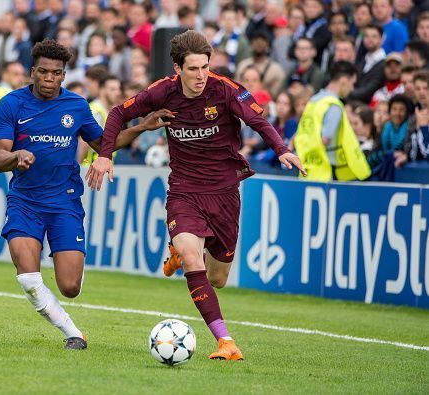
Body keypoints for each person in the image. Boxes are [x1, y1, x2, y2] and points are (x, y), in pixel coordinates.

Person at [85, 31, 304, 361]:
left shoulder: (226, 90)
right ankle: (225, 341)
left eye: (205, 67)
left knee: (217, 279)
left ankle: (179, 250)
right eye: (193, 69)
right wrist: (104, 154)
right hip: (185, 192)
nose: (201, 75)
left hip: (225, 194)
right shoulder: (163, 91)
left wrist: (283, 150)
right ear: (177, 69)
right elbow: (118, 113)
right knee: (192, 258)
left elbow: (259, 122)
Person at [0, 39, 172, 350]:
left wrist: (142, 127)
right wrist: (16, 156)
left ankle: (70, 268)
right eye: (43, 72)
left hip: (65, 202)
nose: (49, 79)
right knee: (29, 279)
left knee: (70, 287)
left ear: (64, 75)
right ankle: (74, 333)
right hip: (24, 201)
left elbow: (105, 144)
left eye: (56, 73)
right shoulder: (11, 104)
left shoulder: (76, 106)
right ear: (32, 71)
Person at [295, 61, 371, 182]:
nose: (352, 88)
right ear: (344, 80)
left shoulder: (314, 101)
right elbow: (325, 138)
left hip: (309, 166)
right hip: (327, 171)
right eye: (352, 83)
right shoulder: (334, 105)